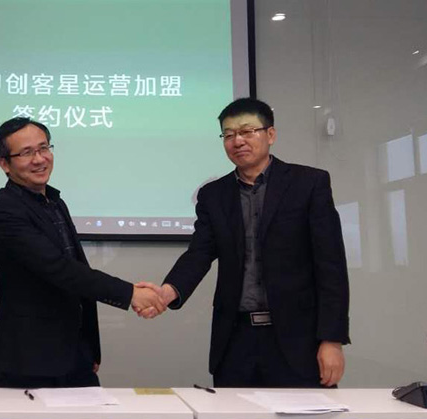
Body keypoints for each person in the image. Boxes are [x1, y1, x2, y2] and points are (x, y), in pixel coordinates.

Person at [140, 97, 350, 388]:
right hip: (236, 341)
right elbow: (199, 254)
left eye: (247, 131)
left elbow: (331, 266)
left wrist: (332, 339)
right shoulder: (213, 195)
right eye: (228, 134)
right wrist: (167, 292)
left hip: (298, 340)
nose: (237, 141)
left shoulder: (309, 184)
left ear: (270, 134)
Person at [0, 117, 165, 388]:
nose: (39, 159)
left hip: (75, 353)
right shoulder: (4, 209)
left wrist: (90, 346)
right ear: (4, 164)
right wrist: (130, 294)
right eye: (26, 152)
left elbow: (78, 275)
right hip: (32, 359)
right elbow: (59, 269)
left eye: (44, 148)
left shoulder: (55, 202)